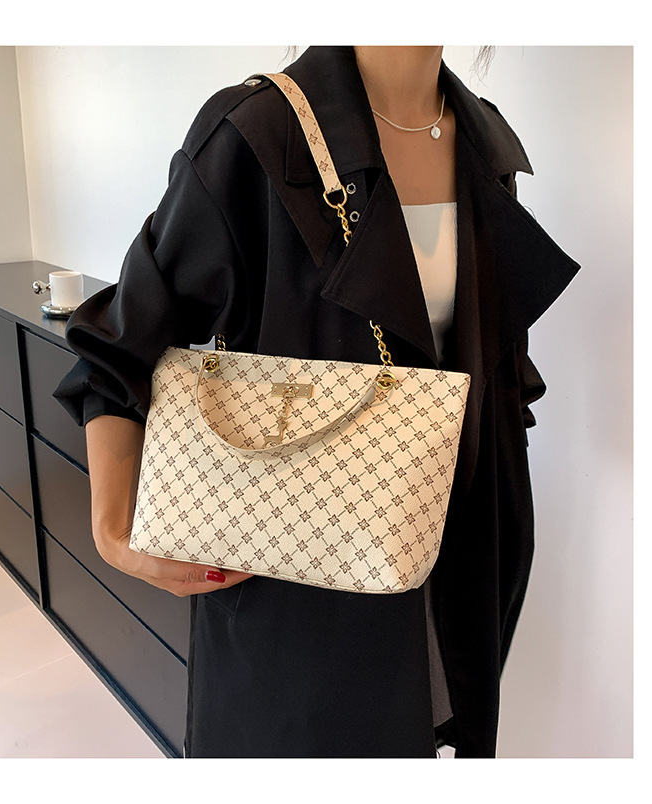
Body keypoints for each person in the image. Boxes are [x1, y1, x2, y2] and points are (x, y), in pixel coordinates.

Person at [54, 46, 580, 758]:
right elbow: (123, 343)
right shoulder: (256, 134)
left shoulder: (484, 145)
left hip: (459, 561)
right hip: (300, 578)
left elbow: (497, 368)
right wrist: (113, 530)